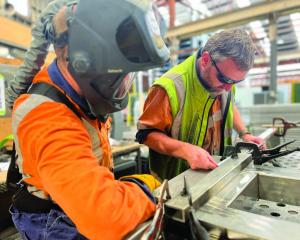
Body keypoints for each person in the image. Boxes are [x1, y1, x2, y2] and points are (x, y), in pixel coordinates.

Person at [9, 0, 169, 239]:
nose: (122, 85)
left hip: (75, 207)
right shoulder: (46, 116)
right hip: (54, 221)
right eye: (120, 75)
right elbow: (106, 218)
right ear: (88, 62)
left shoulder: (80, 99)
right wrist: (141, 187)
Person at [136, 29, 265, 180]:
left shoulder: (226, 79)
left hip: (215, 174)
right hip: (175, 183)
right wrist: (185, 150)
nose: (228, 88)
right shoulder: (169, 87)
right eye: (225, 80)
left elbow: (230, 104)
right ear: (205, 60)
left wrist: (244, 133)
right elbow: (146, 135)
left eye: (236, 82)